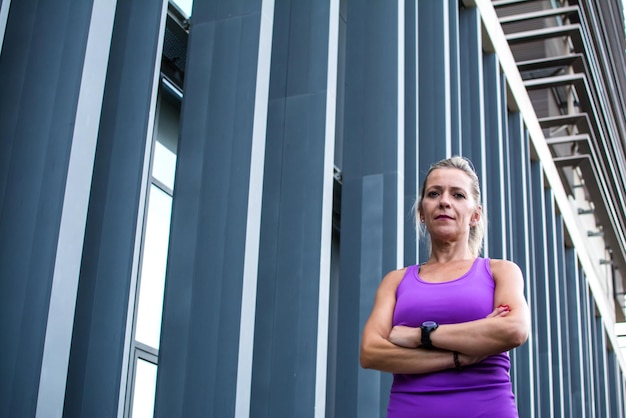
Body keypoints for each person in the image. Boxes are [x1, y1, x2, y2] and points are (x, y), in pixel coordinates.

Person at [360, 156, 530, 418]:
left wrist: (420, 336)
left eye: (458, 195)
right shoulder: (395, 280)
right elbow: (371, 352)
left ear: (475, 215)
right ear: (421, 212)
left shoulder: (500, 271)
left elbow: (513, 329)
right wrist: (459, 357)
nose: (444, 201)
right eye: (434, 193)